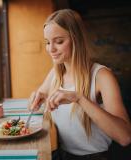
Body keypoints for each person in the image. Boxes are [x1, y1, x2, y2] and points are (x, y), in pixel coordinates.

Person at [28, 9, 131, 160]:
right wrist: (37, 97)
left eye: (59, 41)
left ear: (76, 39)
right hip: (64, 155)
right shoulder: (55, 74)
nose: (51, 49)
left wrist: (79, 98)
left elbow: (125, 137)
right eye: (47, 42)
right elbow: (40, 95)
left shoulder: (102, 76)